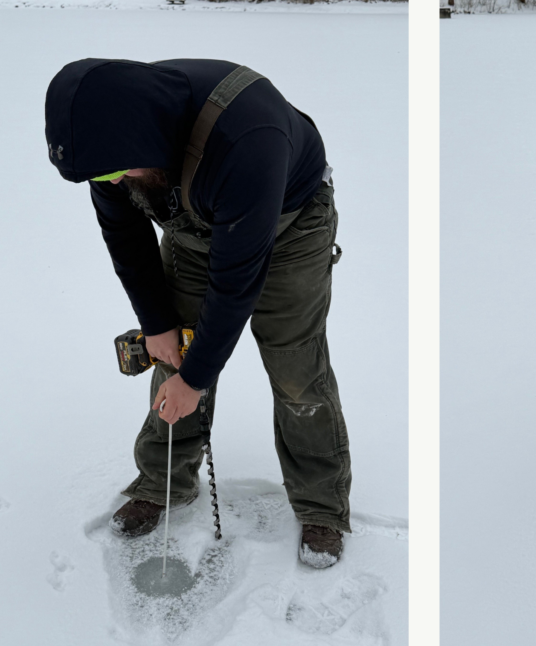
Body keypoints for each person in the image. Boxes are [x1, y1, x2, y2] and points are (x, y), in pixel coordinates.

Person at [45, 58, 350, 567]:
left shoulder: (247, 139)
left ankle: (321, 504)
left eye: (119, 172)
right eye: (103, 177)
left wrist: (198, 376)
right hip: (194, 225)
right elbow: (126, 237)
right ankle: (163, 482)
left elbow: (236, 285)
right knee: (174, 354)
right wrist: (158, 325)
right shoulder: (108, 145)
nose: (114, 183)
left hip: (289, 226)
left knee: (295, 366)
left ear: (142, 137)